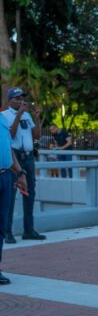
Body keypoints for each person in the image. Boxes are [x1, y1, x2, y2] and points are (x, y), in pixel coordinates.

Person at [2, 87, 45, 242]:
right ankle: (8, 232)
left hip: (28, 157)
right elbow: (10, 136)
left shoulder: (27, 115)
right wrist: (18, 115)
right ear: (10, 100)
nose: (21, 101)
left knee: (30, 192)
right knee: (11, 194)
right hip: (15, 158)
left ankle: (29, 230)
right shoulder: (4, 116)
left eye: (22, 98)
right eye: (17, 99)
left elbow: (37, 136)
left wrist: (37, 117)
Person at [0, 113, 30, 283]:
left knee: (1, 225)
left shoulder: (2, 119)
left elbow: (8, 148)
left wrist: (20, 173)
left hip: (5, 176)